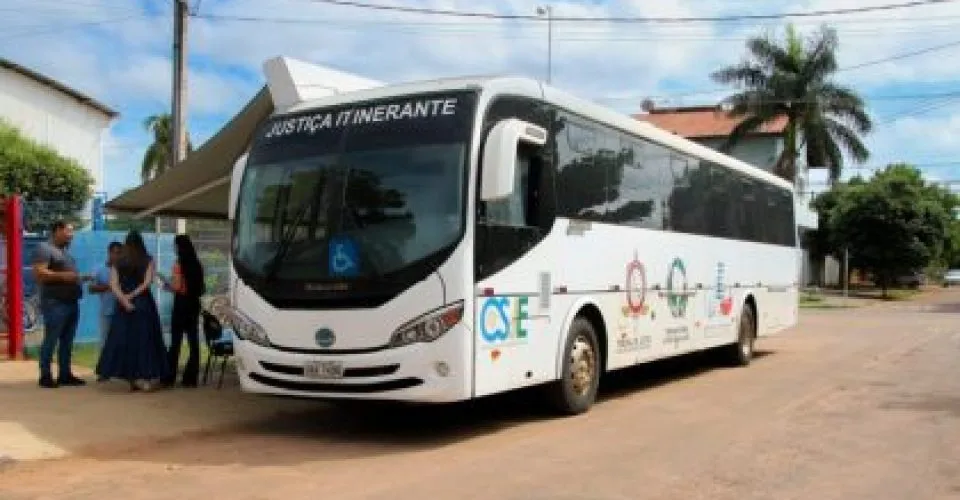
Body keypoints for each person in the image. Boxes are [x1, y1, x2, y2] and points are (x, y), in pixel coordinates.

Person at [95, 230, 171, 392]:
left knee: (124, 340)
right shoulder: (148, 259)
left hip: (122, 306)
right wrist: (133, 296)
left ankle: (131, 377)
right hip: (143, 303)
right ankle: (143, 376)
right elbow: (147, 282)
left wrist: (124, 299)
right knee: (145, 340)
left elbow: (113, 284)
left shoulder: (118, 262)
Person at [31, 220, 90, 389]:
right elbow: (39, 273)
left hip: (71, 303)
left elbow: (66, 274)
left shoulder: (65, 252)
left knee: (67, 341)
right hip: (55, 303)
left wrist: (79, 278)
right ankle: (45, 376)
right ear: (57, 230)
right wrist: (65, 276)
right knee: (51, 339)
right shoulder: (44, 248)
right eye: (68, 231)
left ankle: (65, 374)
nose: (71, 235)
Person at [159, 234, 205, 388]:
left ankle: (169, 377)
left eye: (175, 245)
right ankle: (191, 378)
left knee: (176, 343)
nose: (174, 248)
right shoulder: (197, 264)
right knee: (193, 343)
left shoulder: (179, 264)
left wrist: (166, 285)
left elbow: (177, 287)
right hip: (193, 305)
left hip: (181, 306)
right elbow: (200, 288)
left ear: (179, 247)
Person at [88, 242, 122, 350]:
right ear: (109, 253)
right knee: (105, 345)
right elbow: (91, 288)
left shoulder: (124, 270)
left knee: (121, 345)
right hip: (106, 312)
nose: (117, 256)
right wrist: (110, 287)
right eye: (115, 253)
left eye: (120, 253)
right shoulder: (99, 269)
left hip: (122, 312)